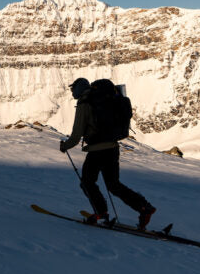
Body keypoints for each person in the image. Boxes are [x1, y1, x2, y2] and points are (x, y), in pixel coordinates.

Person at [59, 77, 156, 228]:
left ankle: (101, 212)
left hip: (97, 151)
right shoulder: (105, 99)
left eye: (73, 90)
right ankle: (144, 207)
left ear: (78, 90)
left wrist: (65, 146)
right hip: (112, 148)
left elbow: (76, 135)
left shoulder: (85, 103)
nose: (72, 93)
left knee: (87, 182)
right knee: (113, 184)